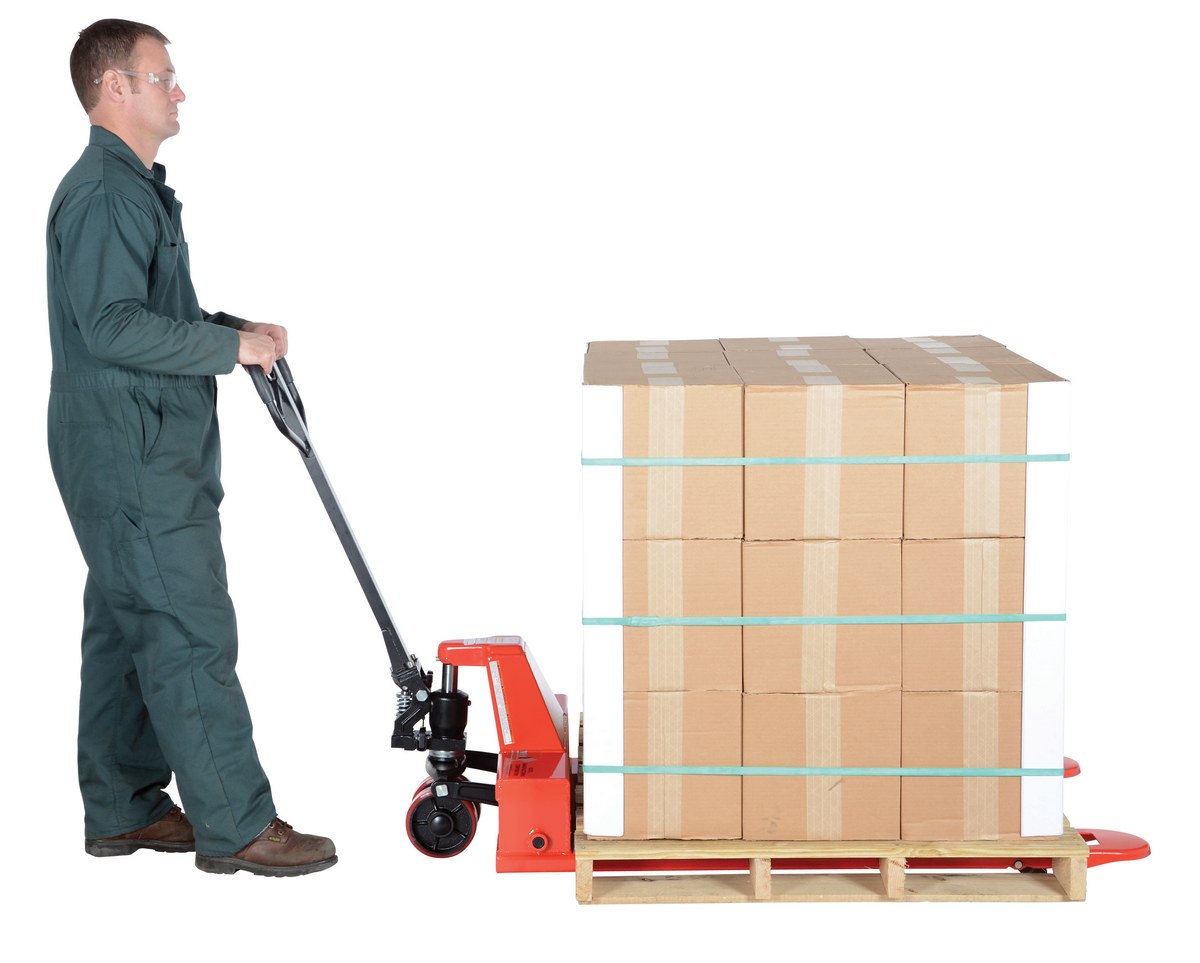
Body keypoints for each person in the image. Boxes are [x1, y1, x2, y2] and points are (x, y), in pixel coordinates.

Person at [46, 18, 335, 877]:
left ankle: (124, 806)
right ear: (114, 88)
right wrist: (225, 349)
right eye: (161, 76)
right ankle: (237, 822)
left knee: (126, 621)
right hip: (132, 454)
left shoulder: (130, 189)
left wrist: (234, 330)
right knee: (184, 624)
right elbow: (109, 325)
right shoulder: (105, 194)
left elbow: (149, 314)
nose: (179, 90)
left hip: (130, 447)